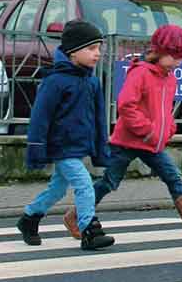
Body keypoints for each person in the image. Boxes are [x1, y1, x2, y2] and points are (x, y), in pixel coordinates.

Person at [61, 24, 182, 243]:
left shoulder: (169, 77)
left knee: (173, 177)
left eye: (181, 58)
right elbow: (126, 105)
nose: (178, 62)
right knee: (109, 181)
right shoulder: (140, 73)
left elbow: (166, 110)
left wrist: (169, 129)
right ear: (159, 51)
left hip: (153, 143)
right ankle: (76, 215)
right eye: (174, 57)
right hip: (128, 141)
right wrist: (147, 130)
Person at [17, 19, 115, 251]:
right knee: (84, 184)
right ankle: (90, 230)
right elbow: (40, 119)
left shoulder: (91, 82)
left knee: (57, 189)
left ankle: (29, 218)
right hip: (61, 147)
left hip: (78, 147)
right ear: (73, 52)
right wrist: (36, 150)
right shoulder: (55, 81)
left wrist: (101, 150)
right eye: (91, 49)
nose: (97, 54)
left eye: (99, 48)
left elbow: (99, 119)